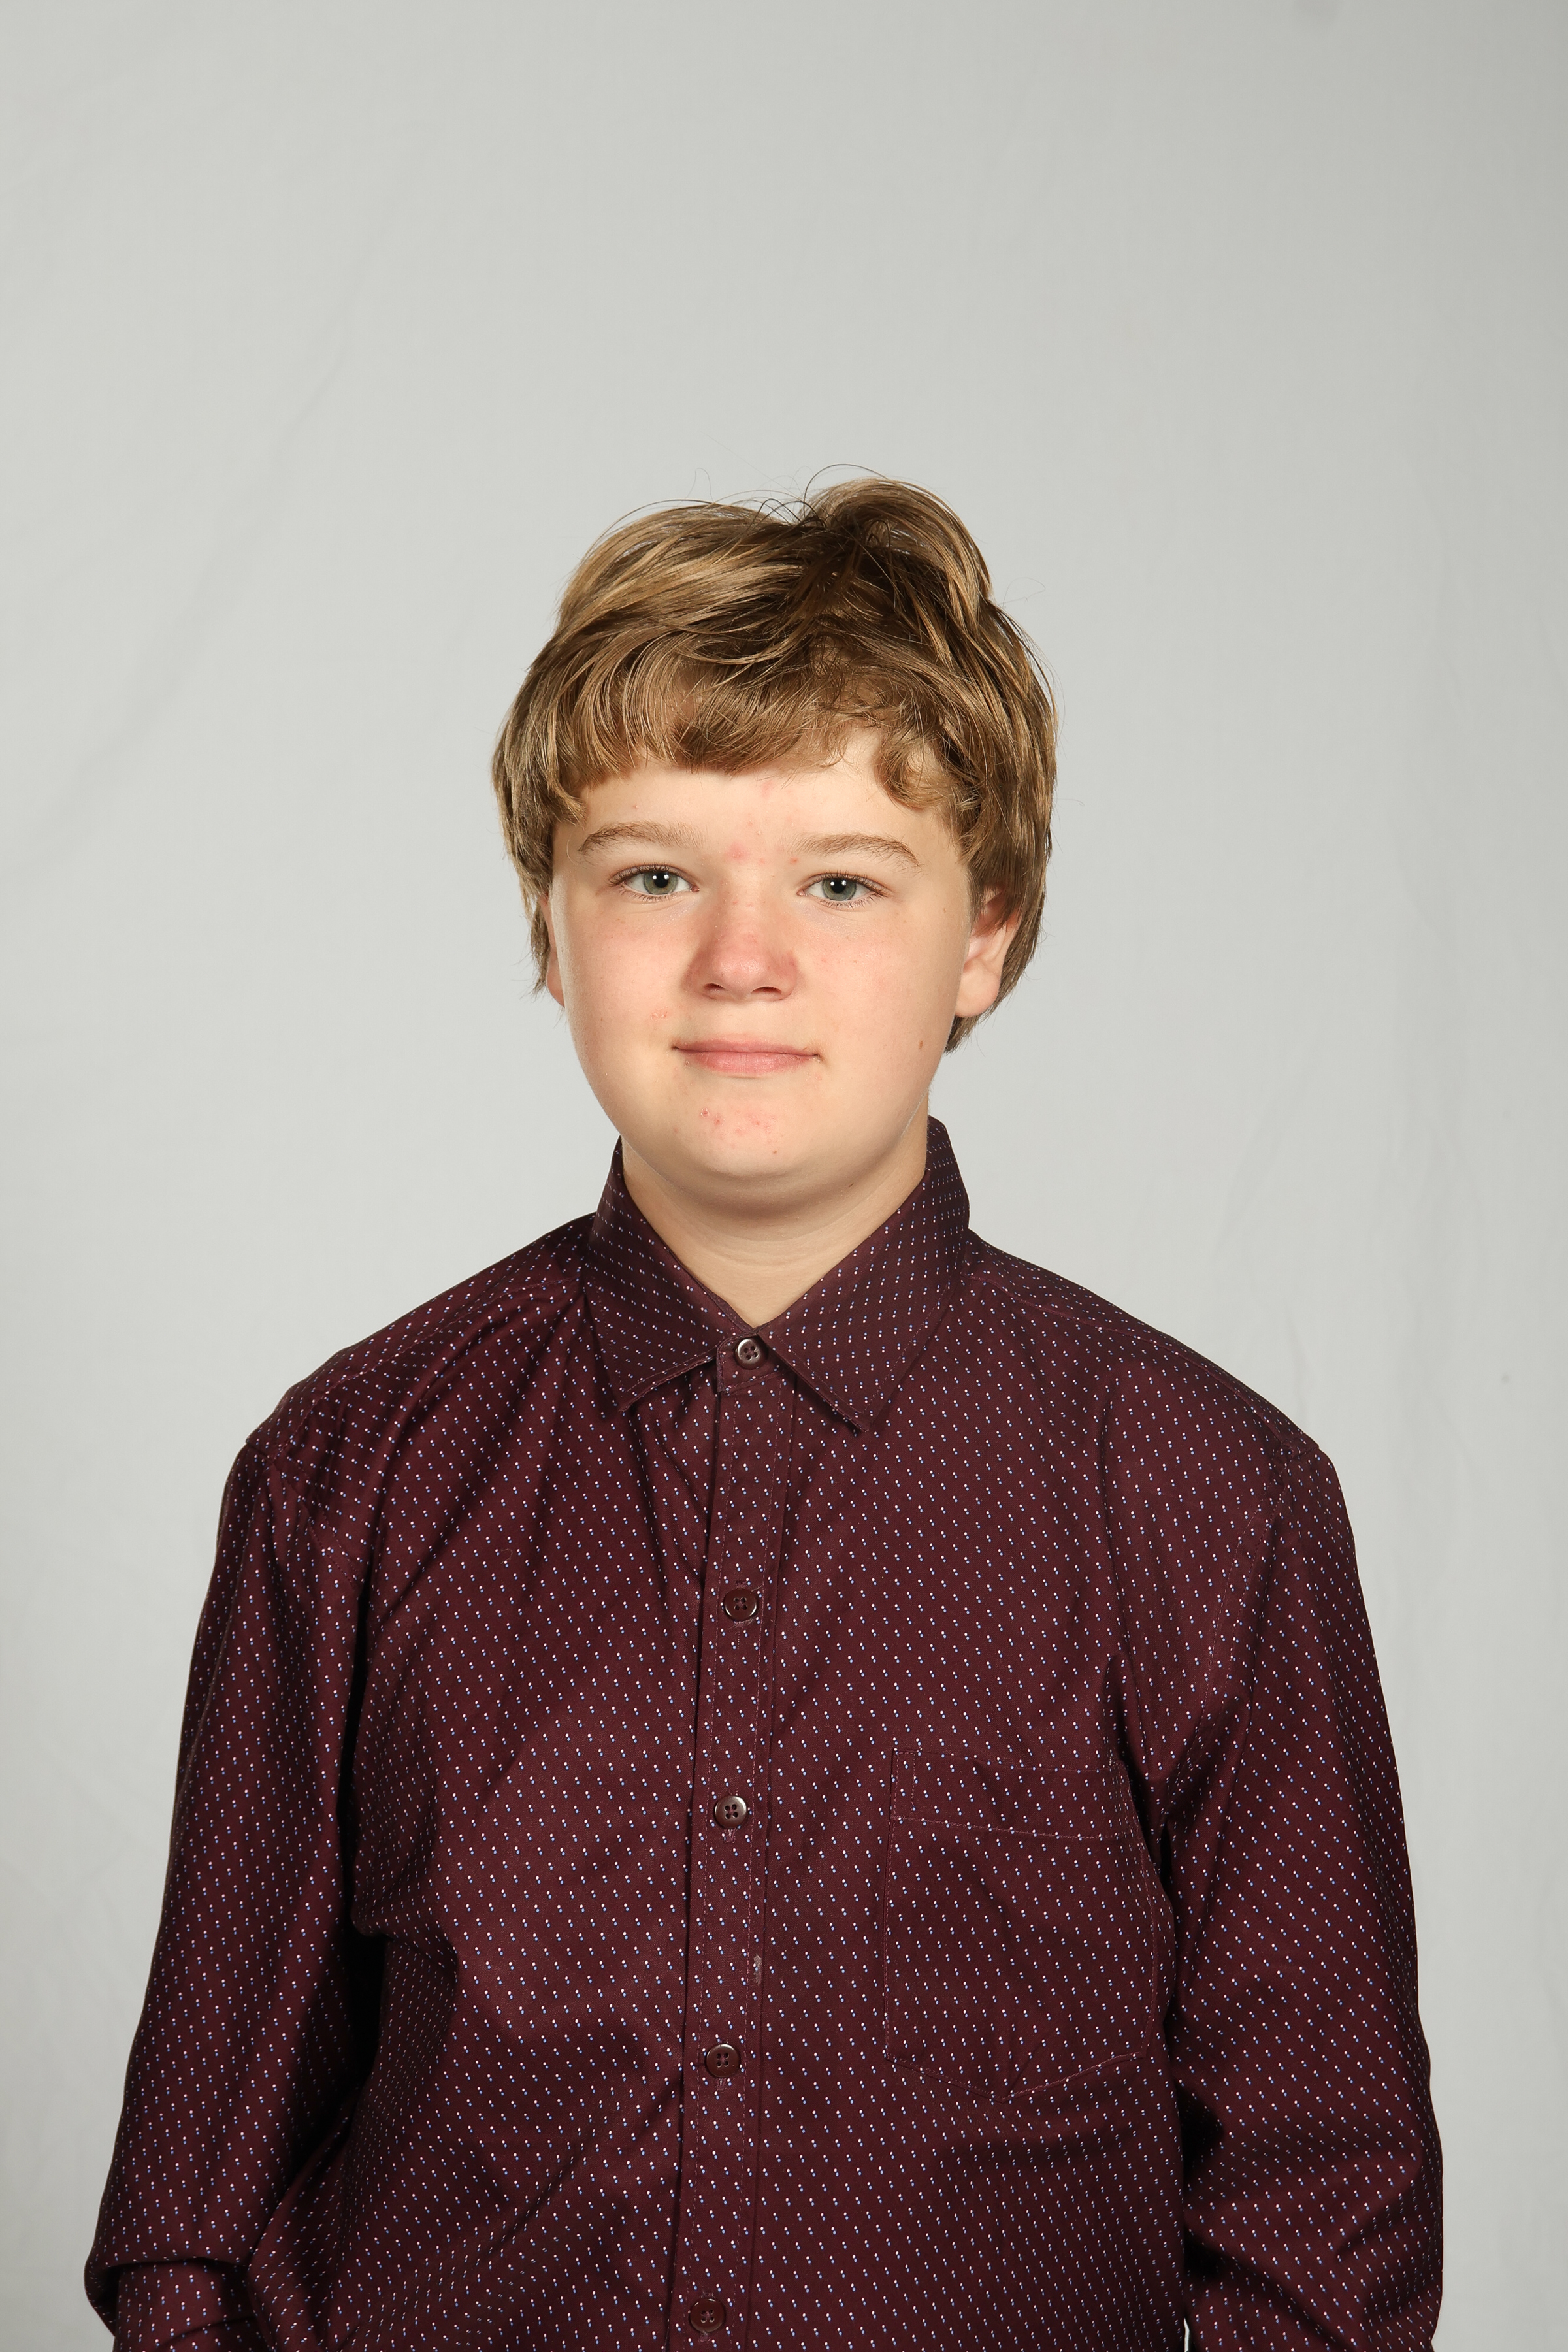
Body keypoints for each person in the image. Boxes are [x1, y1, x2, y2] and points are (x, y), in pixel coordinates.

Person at [86, 480, 1441, 2351]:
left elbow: (1328, 2214)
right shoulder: (347, 1473)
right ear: (551, 924)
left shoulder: (1210, 1497)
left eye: (843, 881)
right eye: (654, 877)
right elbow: (196, 2198)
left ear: (985, 936)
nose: (742, 957)